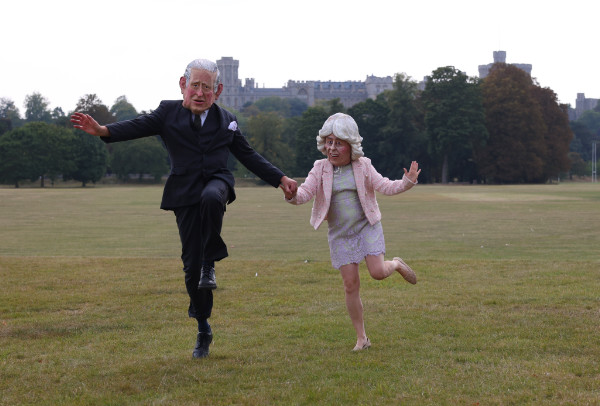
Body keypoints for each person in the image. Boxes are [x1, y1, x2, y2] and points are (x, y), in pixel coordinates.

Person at [71, 58, 297, 359]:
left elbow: (248, 155)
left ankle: (210, 262)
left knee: (212, 198)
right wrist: (103, 130)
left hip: (217, 183)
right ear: (183, 85)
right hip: (183, 193)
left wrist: (280, 178)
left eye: (207, 87)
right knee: (191, 271)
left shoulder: (227, 119)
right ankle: (203, 327)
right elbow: (137, 126)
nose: (200, 93)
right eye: (195, 86)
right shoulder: (167, 113)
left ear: (217, 91)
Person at [284, 113, 420, 351]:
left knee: (377, 273)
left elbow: (385, 186)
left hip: (367, 227)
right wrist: (291, 195)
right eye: (329, 142)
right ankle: (362, 338)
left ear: (350, 144)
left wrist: (406, 182)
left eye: (338, 143)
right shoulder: (320, 168)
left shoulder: (363, 166)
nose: (332, 148)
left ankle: (396, 264)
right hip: (340, 235)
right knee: (350, 285)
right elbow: (304, 194)